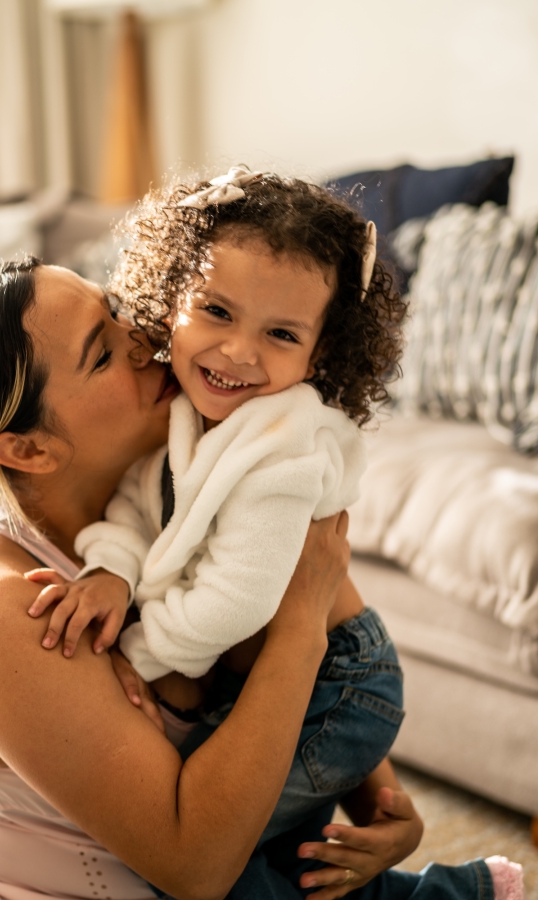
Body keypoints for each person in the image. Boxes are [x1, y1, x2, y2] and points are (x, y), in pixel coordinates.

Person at [0, 257, 518, 900]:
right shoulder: (0, 612)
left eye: (117, 312)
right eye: (102, 355)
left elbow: (338, 657)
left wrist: (383, 807)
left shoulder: (197, 475)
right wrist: (298, 624)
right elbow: (198, 867)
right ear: (28, 449)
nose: (146, 338)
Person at [24, 168, 400, 843]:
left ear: (320, 355)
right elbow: (143, 508)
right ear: (171, 299)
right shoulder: (186, 413)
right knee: (279, 852)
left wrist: (134, 657)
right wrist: (111, 570)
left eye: (282, 335)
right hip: (259, 669)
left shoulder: (285, 448)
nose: (238, 352)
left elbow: (238, 599)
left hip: (339, 684)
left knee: (210, 843)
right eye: (217, 311)